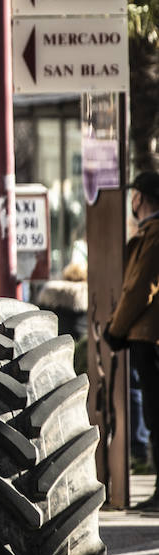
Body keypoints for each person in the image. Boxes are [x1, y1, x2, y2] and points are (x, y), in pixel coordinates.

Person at [105, 170, 159, 509]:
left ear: (138, 197)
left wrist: (116, 329)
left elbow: (139, 288)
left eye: (133, 195)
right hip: (148, 335)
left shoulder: (153, 234)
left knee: (155, 415)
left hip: (149, 336)